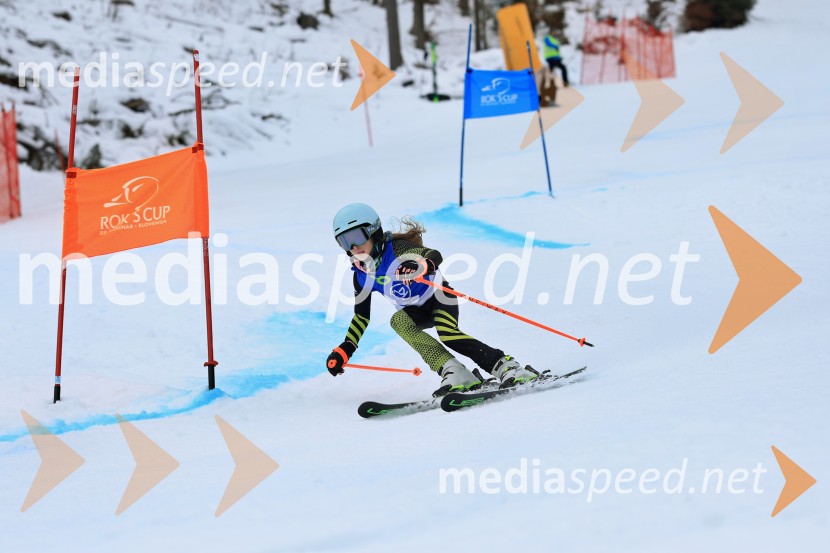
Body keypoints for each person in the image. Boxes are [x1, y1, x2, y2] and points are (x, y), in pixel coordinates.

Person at [326, 203, 539, 397]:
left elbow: (433, 254)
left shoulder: (398, 250)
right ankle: (455, 372)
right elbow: (361, 316)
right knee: (398, 321)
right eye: (345, 241)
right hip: (415, 311)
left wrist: (422, 265)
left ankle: (506, 367)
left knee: (448, 334)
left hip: (439, 297)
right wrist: (346, 348)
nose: (353, 246)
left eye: (357, 236)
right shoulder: (361, 275)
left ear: (374, 231)